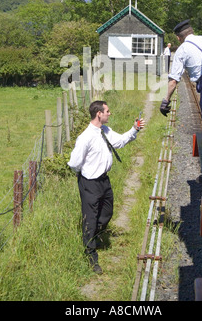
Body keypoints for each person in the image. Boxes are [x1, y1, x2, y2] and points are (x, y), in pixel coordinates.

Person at [68, 100, 145, 274]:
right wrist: (85, 176)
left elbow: (119, 142)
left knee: (107, 213)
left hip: (104, 181)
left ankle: (95, 237)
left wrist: (135, 129)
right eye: (107, 111)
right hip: (90, 183)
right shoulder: (85, 137)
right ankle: (90, 256)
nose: (110, 114)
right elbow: (74, 163)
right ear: (99, 114)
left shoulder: (105, 130)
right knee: (90, 218)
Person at [160, 20, 202, 152]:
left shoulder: (182, 50)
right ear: (192, 31)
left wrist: (165, 100)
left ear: (179, 37)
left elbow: (173, 81)